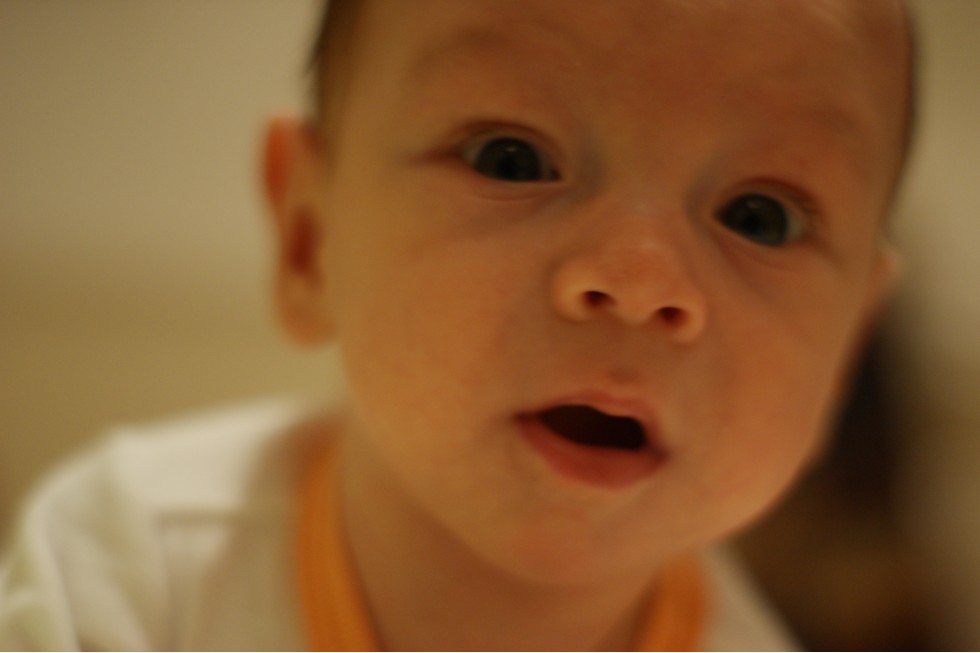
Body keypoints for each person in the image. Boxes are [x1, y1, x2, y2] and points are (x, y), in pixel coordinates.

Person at [0, 0, 915, 649]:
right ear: (311, 241)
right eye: (511, 158)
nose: (640, 282)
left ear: (846, 347)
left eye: (761, 218)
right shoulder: (126, 567)